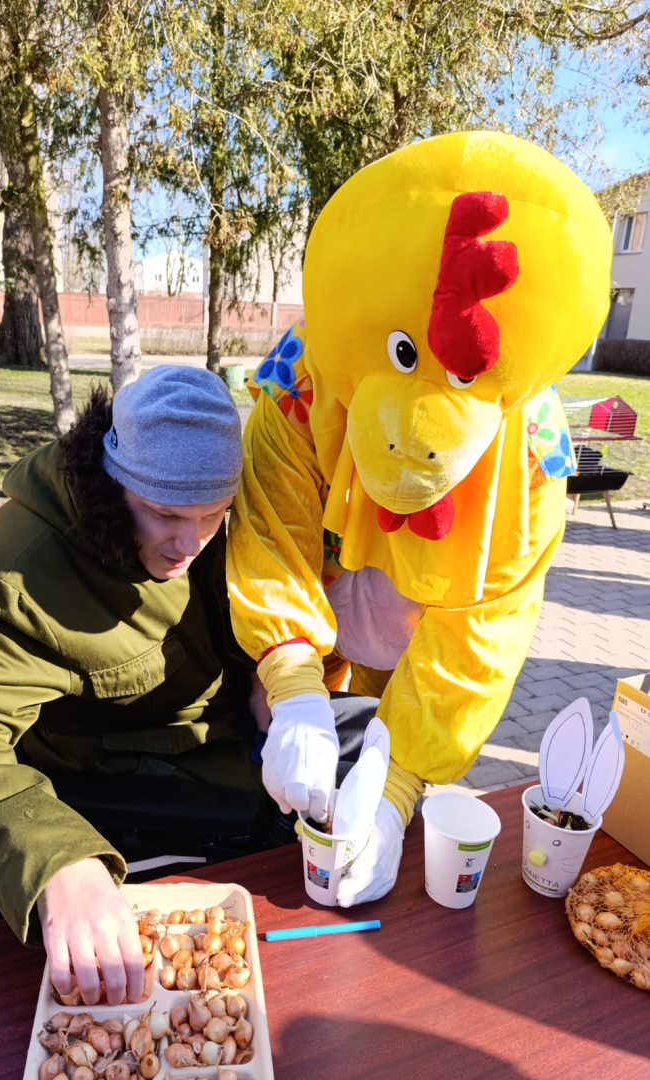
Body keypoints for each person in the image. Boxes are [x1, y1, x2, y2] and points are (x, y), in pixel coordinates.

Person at [227, 130, 613, 908]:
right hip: (319, 628)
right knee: (266, 802)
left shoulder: (536, 451)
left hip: (417, 658)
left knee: (372, 811)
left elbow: (486, 628)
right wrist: (293, 681)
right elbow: (271, 533)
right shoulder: (301, 375)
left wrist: (400, 779)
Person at [0, 366, 257, 1008]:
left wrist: (273, 675)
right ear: (113, 485)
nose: (189, 545)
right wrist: (59, 864)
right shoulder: (19, 571)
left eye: (213, 515)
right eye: (164, 514)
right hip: (130, 784)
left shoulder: (223, 519)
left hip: (235, 746)